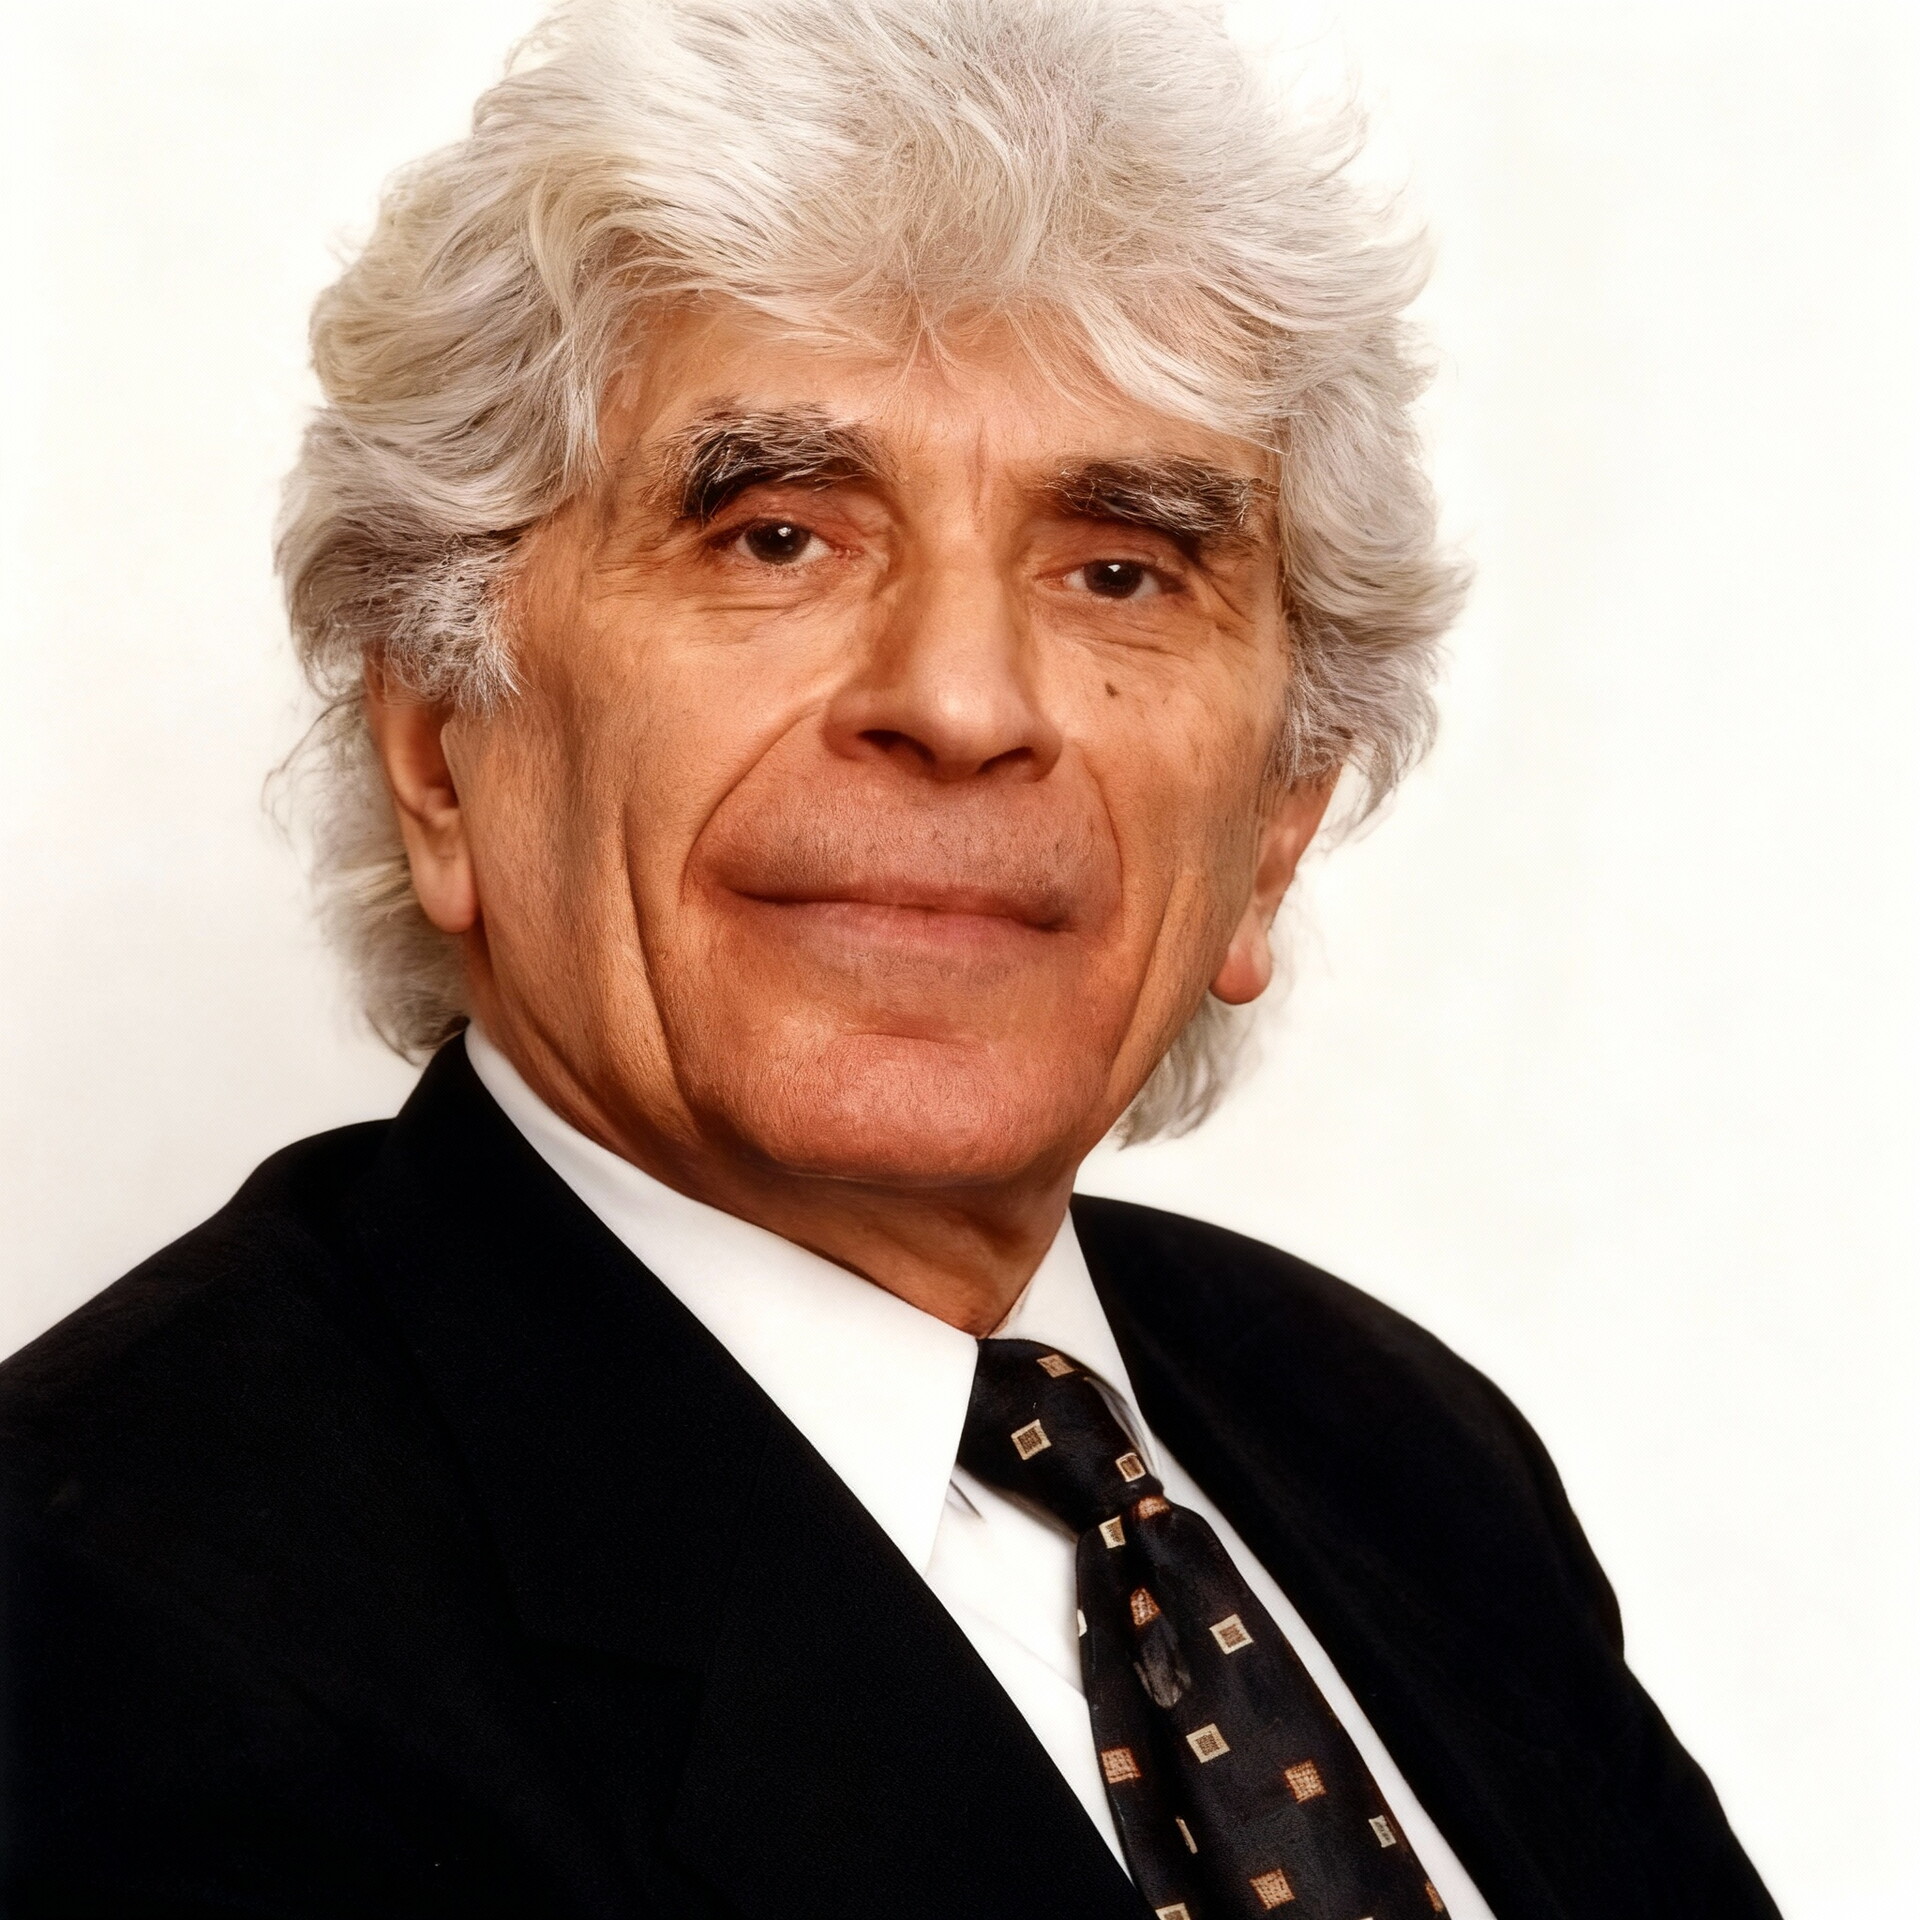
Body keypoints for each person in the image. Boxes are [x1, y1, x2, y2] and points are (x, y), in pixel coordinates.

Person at [0, 2, 1779, 1915]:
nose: (961, 701)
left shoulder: (1397, 1444)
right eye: (775, 536)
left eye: (1119, 569)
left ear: (1277, 821)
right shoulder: (95, 1636)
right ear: (441, 747)